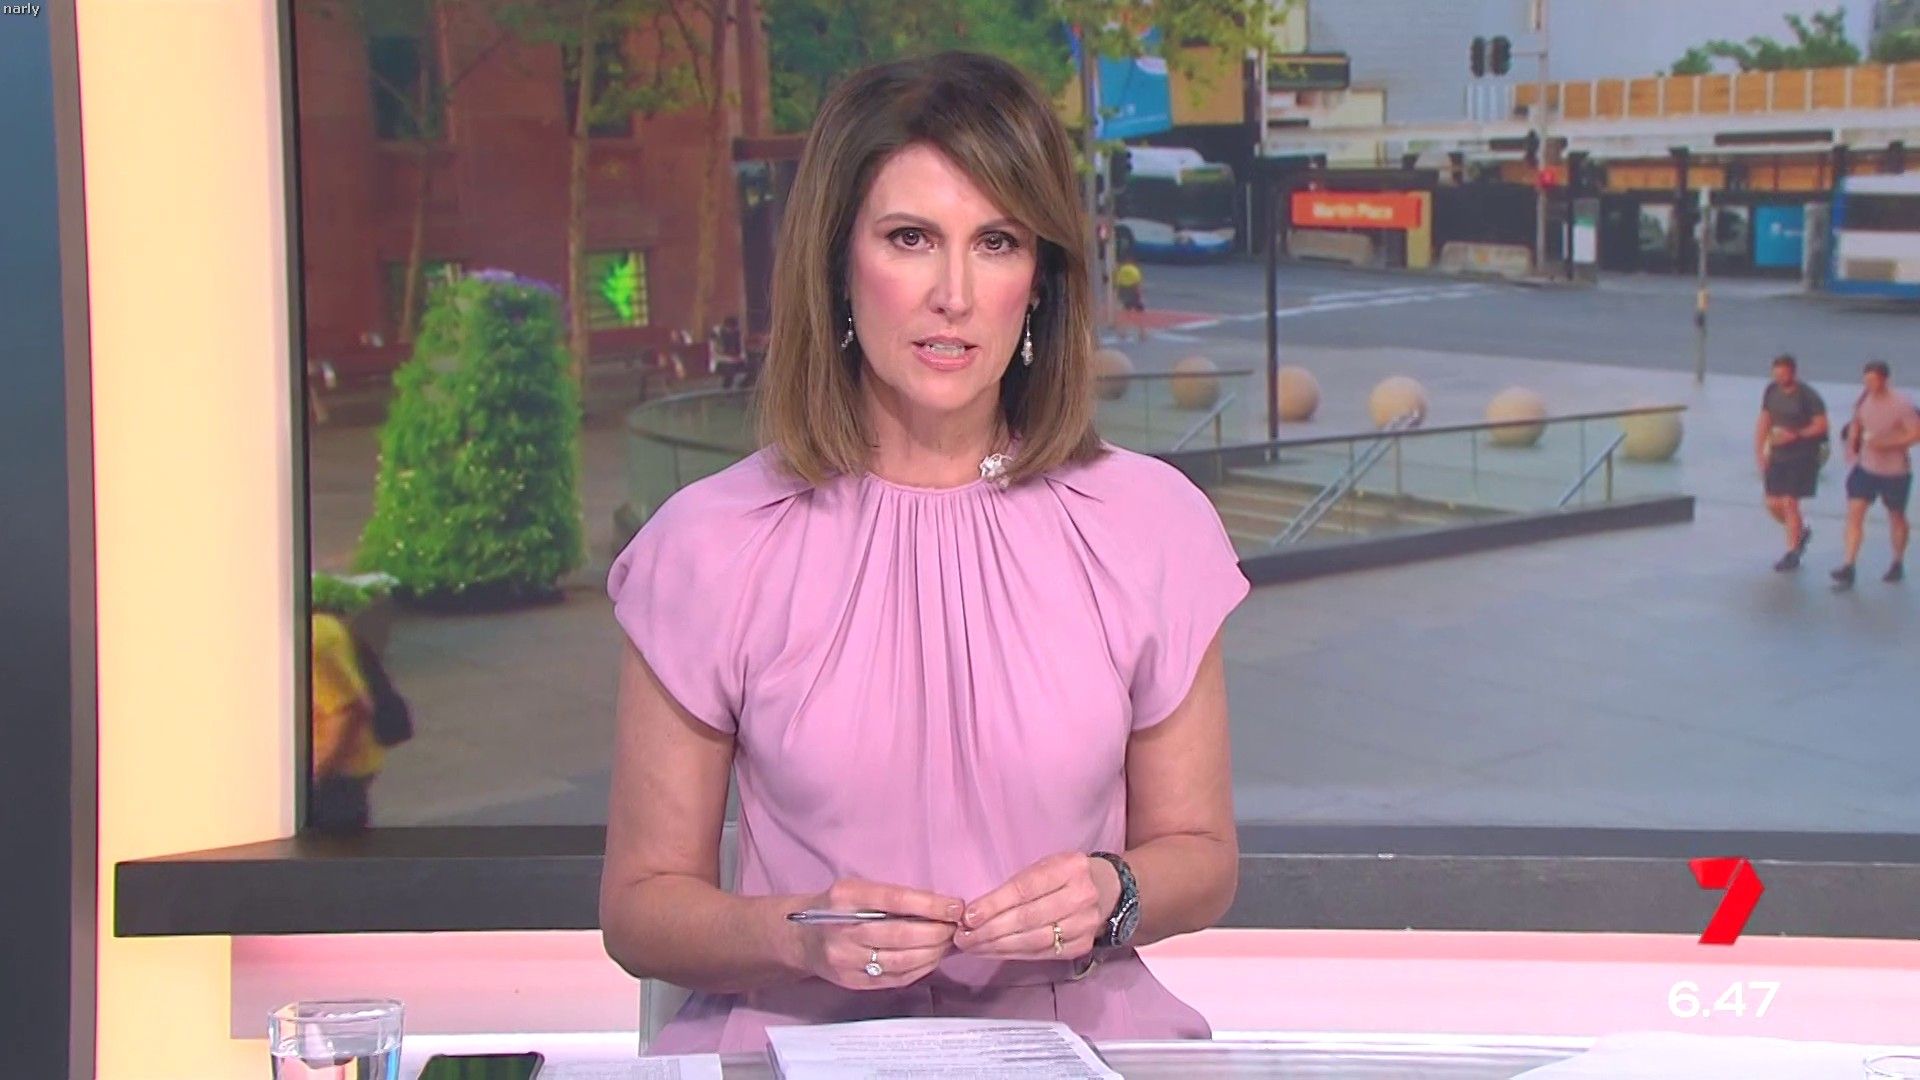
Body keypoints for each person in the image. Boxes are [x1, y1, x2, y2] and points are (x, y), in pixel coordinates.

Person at [600, 51, 1247, 1055]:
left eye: (996, 242)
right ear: (838, 264)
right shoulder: (711, 543)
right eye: (911, 238)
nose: (953, 293)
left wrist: (1112, 892)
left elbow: (1202, 858)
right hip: (798, 1049)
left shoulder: (1150, 526)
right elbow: (641, 908)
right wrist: (796, 935)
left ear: (1039, 280)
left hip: (1078, 1047)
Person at [309, 612, 411, 831]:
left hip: (337, 772)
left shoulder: (314, 641)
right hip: (349, 764)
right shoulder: (322, 625)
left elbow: (351, 711)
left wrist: (317, 772)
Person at [1832, 360, 1920, 588]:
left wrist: (1887, 444)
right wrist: (1852, 447)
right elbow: (1857, 423)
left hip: (1895, 471)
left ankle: (1897, 561)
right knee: (1855, 512)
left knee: (1896, 515)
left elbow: (1915, 434)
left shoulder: (1901, 404)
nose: (1869, 384)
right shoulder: (1863, 399)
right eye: (1867, 380)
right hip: (1866, 467)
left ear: (1885, 380)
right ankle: (1849, 565)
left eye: (1874, 380)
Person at [1755, 353, 1828, 572]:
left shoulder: (1808, 396)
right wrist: (1760, 451)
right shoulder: (1771, 391)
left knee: (1789, 502)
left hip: (1801, 455)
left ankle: (1792, 553)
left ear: (1793, 373)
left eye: (1784, 375)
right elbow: (1764, 420)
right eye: (1776, 375)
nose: (1780, 379)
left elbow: (1821, 425)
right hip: (1777, 454)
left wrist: (1796, 434)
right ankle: (1800, 532)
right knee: (1772, 502)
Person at [1113, 258, 1146, 342]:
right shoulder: (1135, 270)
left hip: (1124, 293)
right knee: (1140, 313)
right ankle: (1142, 333)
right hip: (1133, 293)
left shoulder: (1120, 270)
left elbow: (1117, 284)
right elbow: (1137, 285)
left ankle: (1122, 332)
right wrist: (1140, 296)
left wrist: (1117, 296)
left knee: (1126, 312)